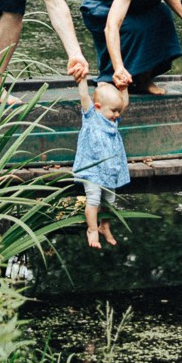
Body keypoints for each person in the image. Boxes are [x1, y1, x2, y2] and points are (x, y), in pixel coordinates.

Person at [72, 76, 129, 248]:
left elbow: (123, 104)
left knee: (110, 201)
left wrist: (124, 88)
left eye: (118, 111)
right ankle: (92, 229)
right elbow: (84, 96)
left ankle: (104, 226)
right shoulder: (92, 116)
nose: (117, 114)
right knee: (94, 200)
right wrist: (82, 79)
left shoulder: (113, 120)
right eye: (114, 111)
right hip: (92, 171)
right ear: (98, 107)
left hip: (110, 170)